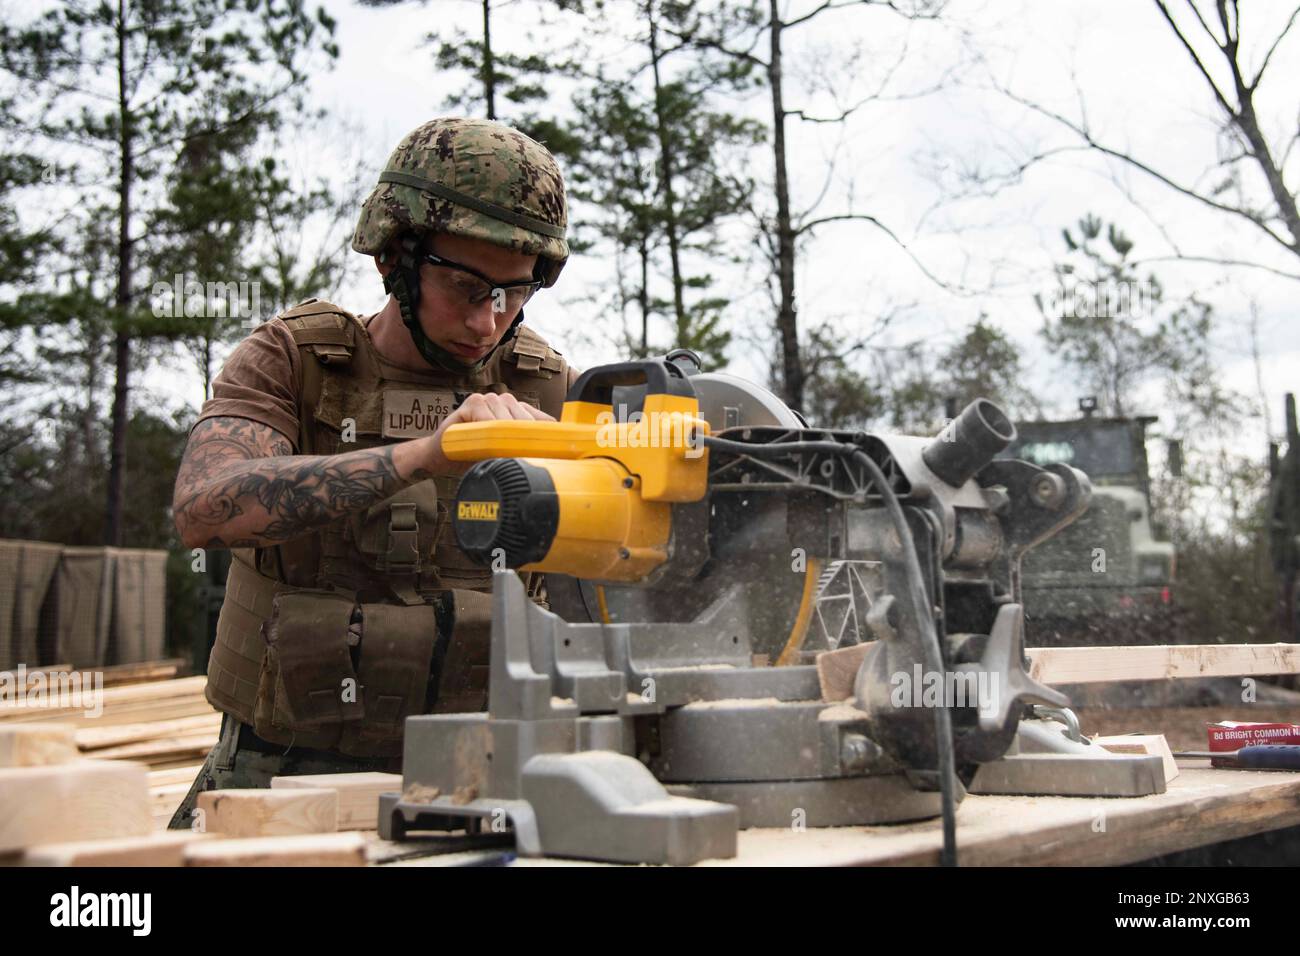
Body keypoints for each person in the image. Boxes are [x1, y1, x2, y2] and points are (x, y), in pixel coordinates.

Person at [167, 117, 577, 829]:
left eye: (512, 294)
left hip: (481, 779)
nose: (487, 323)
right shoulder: (294, 361)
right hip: (279, 779)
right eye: (465, 287)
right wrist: (423, 456)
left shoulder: (544, 388)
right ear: (394, 258)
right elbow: (203, 508)